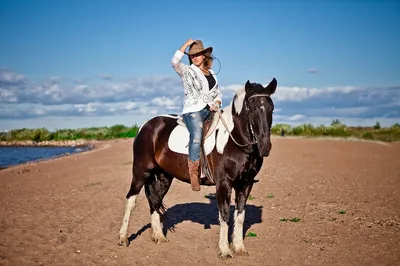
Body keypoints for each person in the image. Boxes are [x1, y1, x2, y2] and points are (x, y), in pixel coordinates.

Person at [171, 39, 222, 191]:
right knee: (197, 135)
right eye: (192, 55)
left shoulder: (212, 73)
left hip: (210, 109)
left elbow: (217, 92)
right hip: (192, 110)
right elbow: (174, 61)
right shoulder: (187, 70)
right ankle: (194, 173)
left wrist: (217, 103)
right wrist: (186, 44)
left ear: (204, 55)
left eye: (198, 54)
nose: (195, 57)